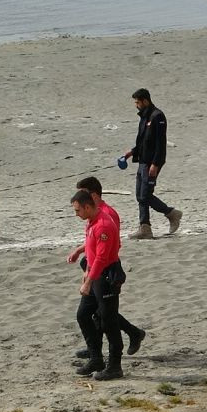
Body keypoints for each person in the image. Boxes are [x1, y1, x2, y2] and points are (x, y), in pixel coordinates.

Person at [68, 176, 146, 360]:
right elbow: (91, 241)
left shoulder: (106, 215)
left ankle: (130, 335)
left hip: (105, 269)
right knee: (96, 312)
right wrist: (80, 251)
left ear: (92, 196)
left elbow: (109, 246)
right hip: (94, 265)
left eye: (83, 194)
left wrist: (89, 276)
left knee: (104, 314)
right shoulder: (92, 215)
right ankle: (96, 348)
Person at [71, 189, 133, 381]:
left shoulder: (104, 225)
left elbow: (102, 258)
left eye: (77, 210)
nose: (76, 214)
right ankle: (96, 357)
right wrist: (85, 268)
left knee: (108, 322)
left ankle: (115, 365)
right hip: (95, 273)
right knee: (83, 315)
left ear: (87, 207)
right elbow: (92, 250)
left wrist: (89, 280)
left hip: (107, 276)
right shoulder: (91, 221)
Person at [123, 88, 183, 239]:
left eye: (137, 102)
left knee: (145, 195)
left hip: (152, 163)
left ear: (145, 101)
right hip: (142, 162)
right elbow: (144, 141)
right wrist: (132, 152)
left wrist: (155, 165)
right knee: (140, 195)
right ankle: (145, 228)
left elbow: (160, 144)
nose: (136, 105)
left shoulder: (158, 116)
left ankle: (171, 213)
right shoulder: (144, 117)